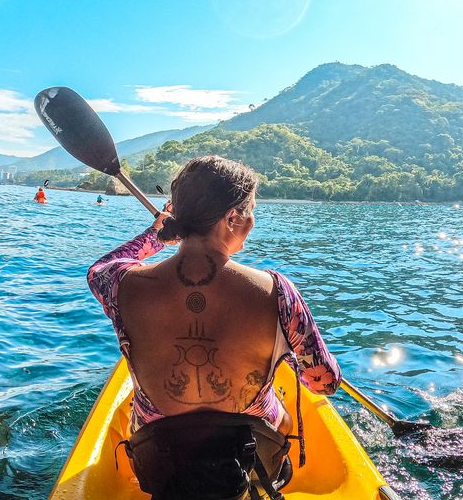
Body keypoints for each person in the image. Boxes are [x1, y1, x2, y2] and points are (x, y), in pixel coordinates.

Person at [87, 155, 340, 498]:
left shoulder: (119, 285)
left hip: (159, 461)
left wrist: (154, 236)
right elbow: (323, 383)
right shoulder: (280, 292)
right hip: (254, 458)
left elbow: (101, 267)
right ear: (233, 218)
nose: (251, 222)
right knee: (279, 404)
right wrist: (292, 360)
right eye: (250, 212)